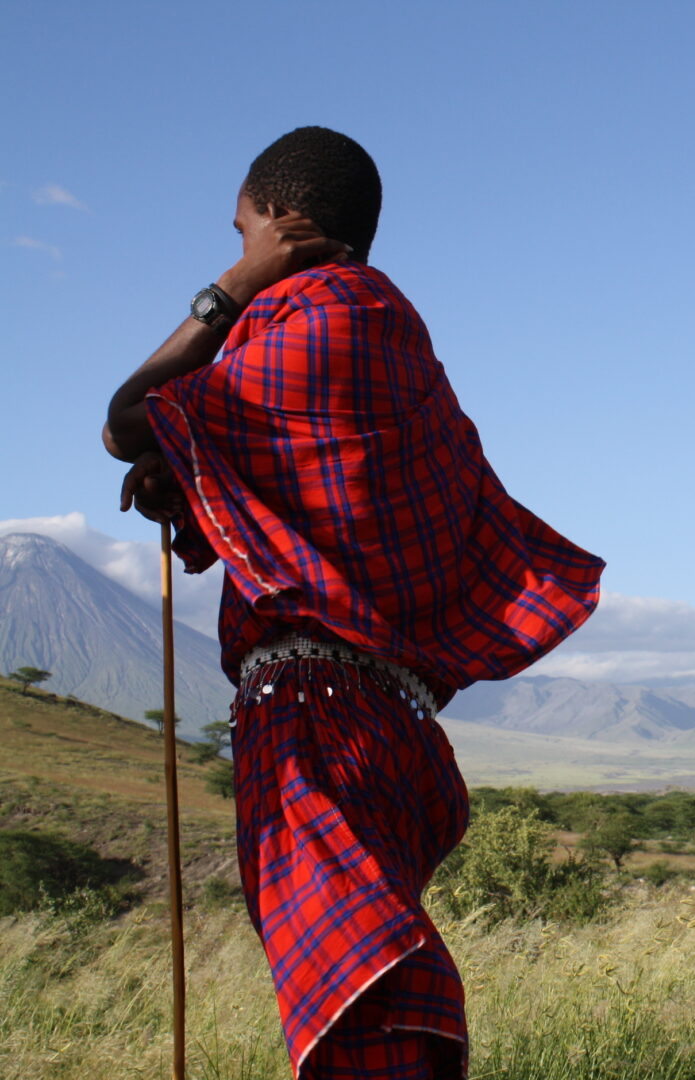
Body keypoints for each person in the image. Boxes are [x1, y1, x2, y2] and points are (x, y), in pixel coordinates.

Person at [102, 126, 604, 1080]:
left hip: (313, 717)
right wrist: (193, 482)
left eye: (243, 229)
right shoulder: (399, 354)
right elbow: (318, 519)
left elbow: (126, 422)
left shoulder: (313, 320)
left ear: (281, 220)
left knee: (367, 1004)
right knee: (370, 989)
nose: (240, 245)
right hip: (395, 731)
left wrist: (228, 290)